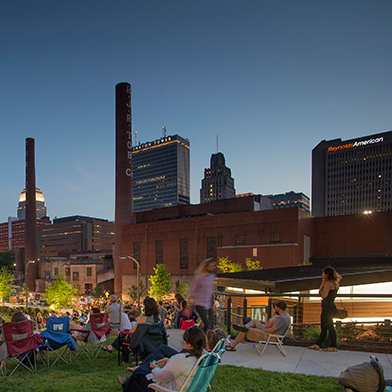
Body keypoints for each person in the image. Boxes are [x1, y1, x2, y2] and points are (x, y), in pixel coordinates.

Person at [118, 326, 207, 392]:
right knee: (156, 359)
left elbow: (161, 377)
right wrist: (168, 361)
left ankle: (127, 385)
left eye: (185, 340)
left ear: (189, 344)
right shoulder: (201, 358)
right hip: (183, 384)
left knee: (138, 376)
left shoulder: (183, 359)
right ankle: (128, 381)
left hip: (168, 388)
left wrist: (155, 368)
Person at [225, 300, 291, 351]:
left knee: (246, 331)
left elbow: (271, 330)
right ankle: (245, 327)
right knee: (255, 321)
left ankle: (232, 346)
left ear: (278, 308)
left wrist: (260, 329)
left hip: (271, 336)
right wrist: (263, 322)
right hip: (269, 332)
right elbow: (273, 326)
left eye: (275, 307)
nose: (274, 308)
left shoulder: (281, 318)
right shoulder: (286, 316)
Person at [308, 266, 342, 352]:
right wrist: (323, 282)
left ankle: (333, 346)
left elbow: (323, 295)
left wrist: (323, 284)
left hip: (327, 307)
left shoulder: (328, 284)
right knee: (325, 326)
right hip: (330, 306)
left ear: (326, 274)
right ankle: (318, 344)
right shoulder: (335, 283)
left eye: (323, 273)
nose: (322, 274)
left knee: (329, 327)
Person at [188, 258, 217, 332]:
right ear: (206, 266)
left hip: (209, 303)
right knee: (207, 324)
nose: (213, 268)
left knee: (211, 325)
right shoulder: (199, 278)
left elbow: (211, 292)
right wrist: (189, 306)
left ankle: (204, 337)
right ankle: (200, 338)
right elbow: (193, 291)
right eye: (211, 266)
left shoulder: (212, 277)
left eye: (214, 266)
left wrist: (213, 305)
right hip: (200, 303)